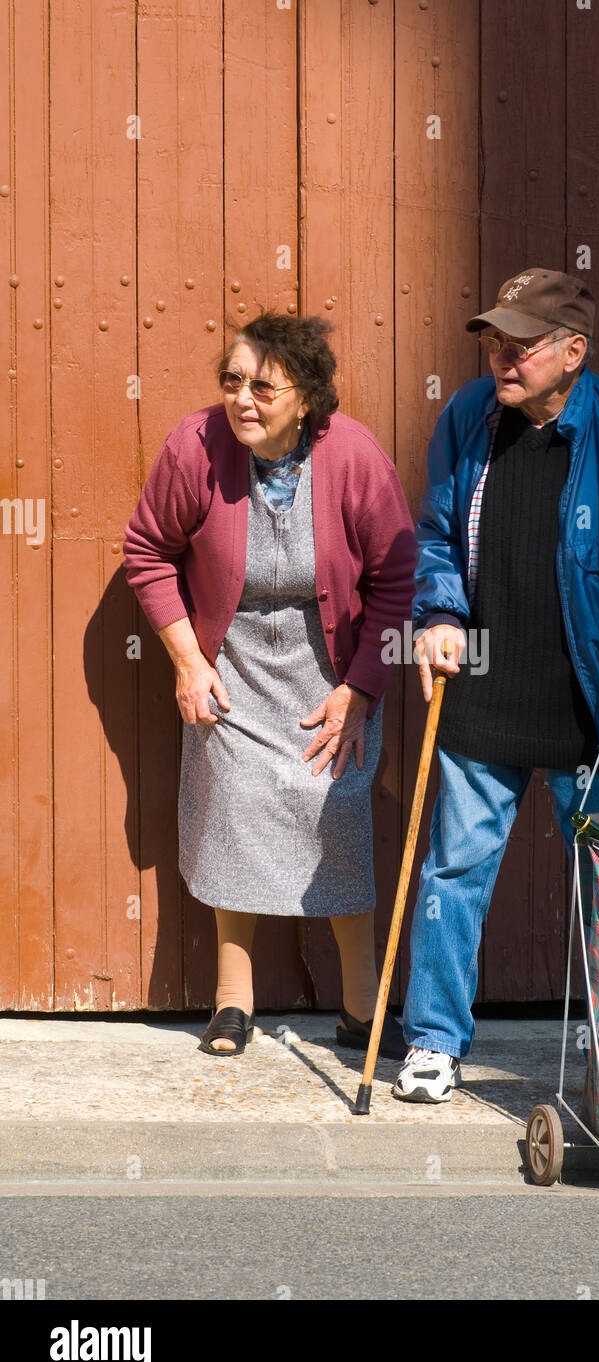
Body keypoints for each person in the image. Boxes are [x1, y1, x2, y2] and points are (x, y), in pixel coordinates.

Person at [392, 268, 599, 1102]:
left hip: (597, 695)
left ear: (573, 352)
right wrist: (436, 612)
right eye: (496, 340)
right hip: (489, 687)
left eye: (522, 343)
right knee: (454, 872)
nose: (502, 356)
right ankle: (432, 1041)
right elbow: (433, 531)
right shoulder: (470, 416)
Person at [123, 313, 415, 1059]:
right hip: (236, 662)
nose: (242, 400)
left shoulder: (353, 456)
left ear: (307, 398)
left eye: (263, 386)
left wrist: (362, 690)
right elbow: (148, 551)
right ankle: (232, 1001)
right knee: (236, 811)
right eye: (232, 382)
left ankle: (362, 1008)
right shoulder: (196, 446)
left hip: (333, 672)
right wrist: (189, 660)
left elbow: (395, 580)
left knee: (338, 817)